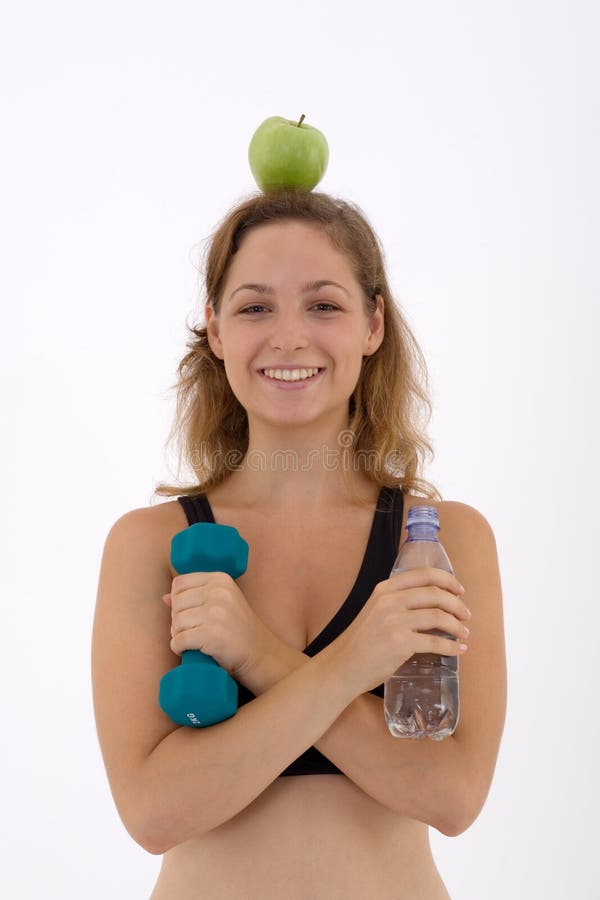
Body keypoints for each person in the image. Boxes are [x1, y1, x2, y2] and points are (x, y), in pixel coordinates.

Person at [92, 188, 506, 899]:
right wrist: (354, 661)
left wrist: (256, 653)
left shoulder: (443, 542)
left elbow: (453, 796)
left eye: (324, 304)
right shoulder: (149, 545)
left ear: (373, 324)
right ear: (216, 330)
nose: (289, 337)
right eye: (255, 307)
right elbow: (154, 813)